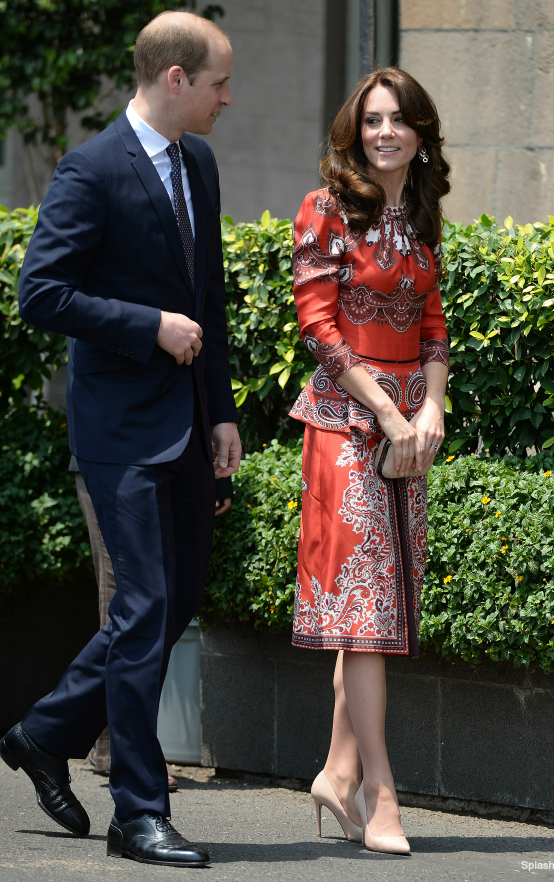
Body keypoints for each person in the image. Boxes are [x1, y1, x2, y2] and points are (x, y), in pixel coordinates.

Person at [0, 11, 241, 869]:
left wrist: (220, 411)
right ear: (174, 78)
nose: (226, 98)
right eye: (218, 82)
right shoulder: (91, 169)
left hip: (184, 426)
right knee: (140, 609)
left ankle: (45, 729)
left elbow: (205, 300)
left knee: (172, 604)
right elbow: (41, 293)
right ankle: (138, 812)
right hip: (119, 433)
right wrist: (148, 327)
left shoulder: (199, 164)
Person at [289, 68, 450, 855]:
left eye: (400, 121)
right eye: (373, 120)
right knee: (368, 614)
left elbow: (433, 327)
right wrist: (386, 409)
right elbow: (318, 329)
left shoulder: (420, 212)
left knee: (380, 610)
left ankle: (335, 773)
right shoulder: (324, 211)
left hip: (408, 436)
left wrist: (431, 404)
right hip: (346, 426)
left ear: (420, 133)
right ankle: (383, 794)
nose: (385, 132)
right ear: (356, 129)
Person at [71, 452, 232, 788]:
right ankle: (115, 747)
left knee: (162, 605)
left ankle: (68, 735)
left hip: (176, 467)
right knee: (128, 598)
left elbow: (202, 402)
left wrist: (217, 472)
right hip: (113, 458)